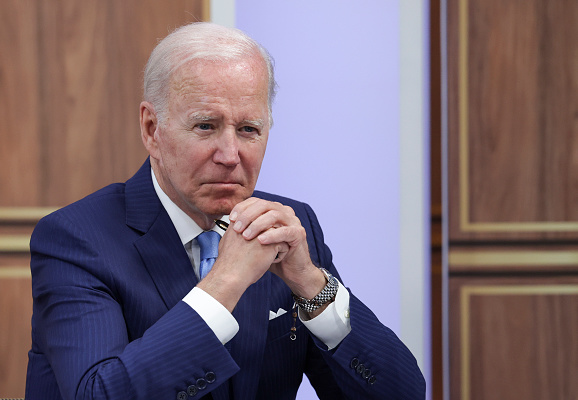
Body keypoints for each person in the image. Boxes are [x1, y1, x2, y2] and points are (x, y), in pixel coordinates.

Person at [25, 22, 425, 400]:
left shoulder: (289, 227)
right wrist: (226, 282)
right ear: (151, 129)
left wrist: (312, 287)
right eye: (205, 126)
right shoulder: (75, 239)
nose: (231, 156)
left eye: (249, 129)